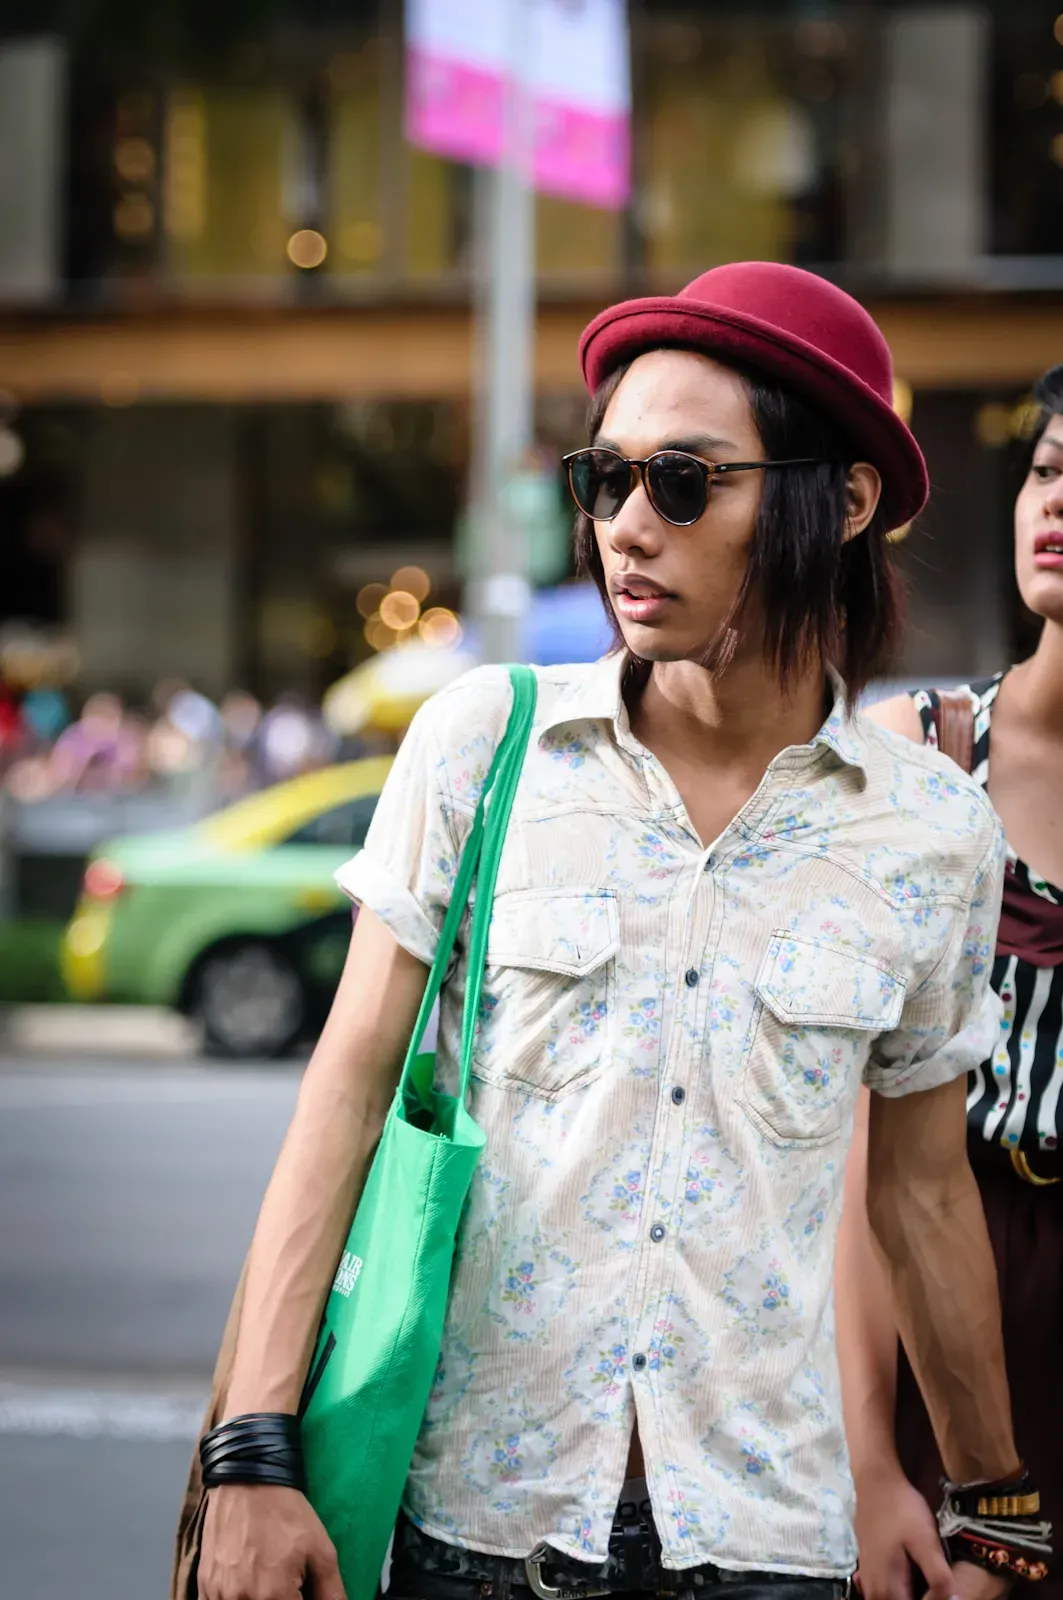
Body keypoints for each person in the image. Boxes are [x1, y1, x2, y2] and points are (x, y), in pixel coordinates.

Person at [185, 264, 1035, 1600]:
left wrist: (999, 1504)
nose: (627, 528)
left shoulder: (928, 831)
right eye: (605, 480)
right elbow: (344, 1094)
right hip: (477, 1532)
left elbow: (920, 1193)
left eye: (683, 482)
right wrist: (252, 1451)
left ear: (843, 501)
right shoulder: (484, 745)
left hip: (769, 1548)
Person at [837, 365, 1063, 1600]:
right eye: (1045, 470)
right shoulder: (919, 758)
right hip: (945, 1288)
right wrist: (871, 1466)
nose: (1054, 501)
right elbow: (875, 1170)